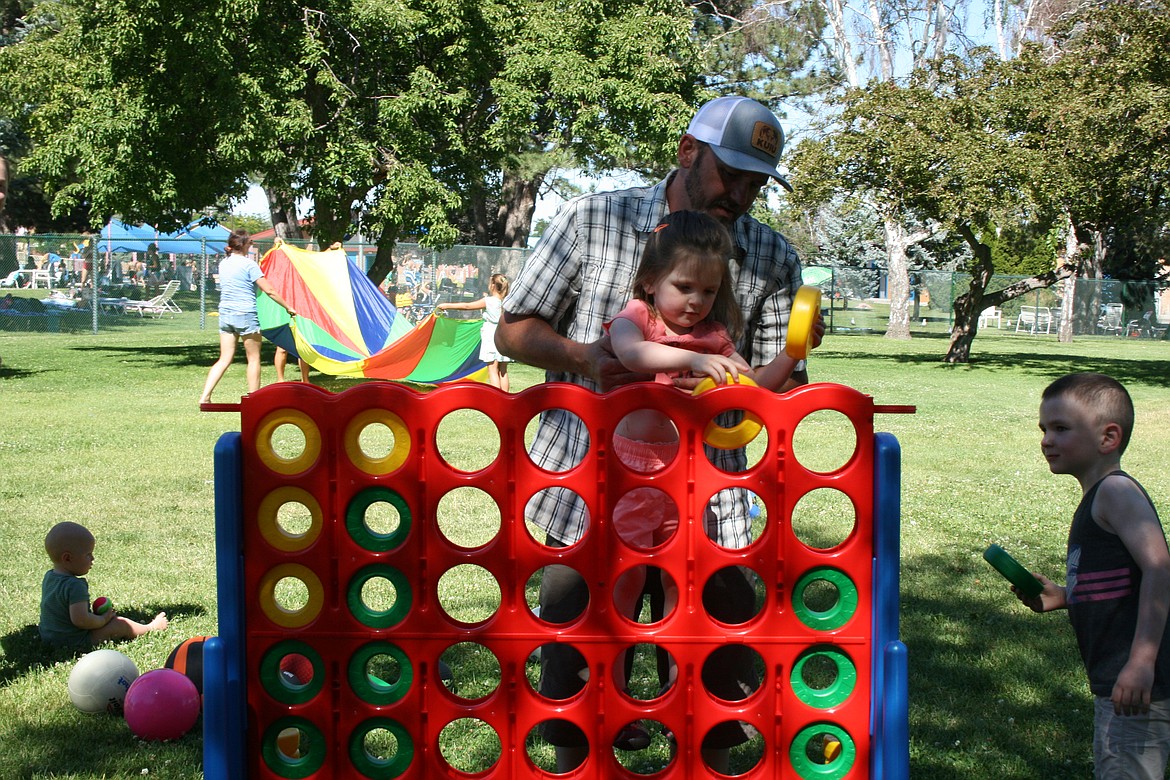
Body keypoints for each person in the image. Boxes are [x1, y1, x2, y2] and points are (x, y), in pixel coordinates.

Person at [495, 95, 823, 772]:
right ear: (686, 152)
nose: (741, 194)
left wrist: (792, 354)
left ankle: (709, 741)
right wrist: (587, 357)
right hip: (586, 482)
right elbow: (513, 328)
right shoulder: (595, 219)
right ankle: (577, 742)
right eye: (730, 175)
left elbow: (776, 386)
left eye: (756, 182)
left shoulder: (771, 254)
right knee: (575, 630)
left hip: (712, 495)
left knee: (721, 635)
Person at [1015, 373, 1170, 779]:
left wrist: (1140, 662)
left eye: (1061, 429)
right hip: (1117, 681)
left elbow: (1159, 567)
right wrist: (1067, 595)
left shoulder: (1115, 492)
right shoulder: (1098, 497)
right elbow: (1126, 582)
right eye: (1044, 429)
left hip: (1136, 685)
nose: (1046, 439)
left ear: (1108, 437)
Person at [198, 229, 297, 405]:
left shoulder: (224, 263)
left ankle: (205, 396)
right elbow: (269, 290)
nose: (251, 245)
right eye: (250, 243)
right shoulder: (249, 265)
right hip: (245, 315)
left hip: (226, 315)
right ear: (243, 245)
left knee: (224, 358)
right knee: (253, 358)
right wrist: (289, 307)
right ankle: (254, 400)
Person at [39, 521, 168, 649]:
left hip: (49, 637)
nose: (92, 558)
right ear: (67, 558)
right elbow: (81, 620)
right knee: (120, 624)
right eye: (88, 554)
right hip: (73, 641)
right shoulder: (75, 585)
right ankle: (152, 627)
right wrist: (103, 619)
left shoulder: (50, 577)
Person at [437, 273, 513, 391]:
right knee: (503, 370)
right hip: (505, 335)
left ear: (493, 285)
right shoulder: (508, 302)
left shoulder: (489, 301)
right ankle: (506, 396)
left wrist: (447, 305)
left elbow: (467, 306)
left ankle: (498, 399)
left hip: (492, 336)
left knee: (492, 369)